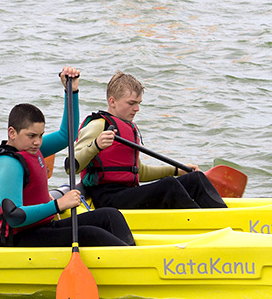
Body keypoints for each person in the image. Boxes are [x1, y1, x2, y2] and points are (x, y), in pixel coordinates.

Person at [0, 67, 134, 248]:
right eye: (31, 136)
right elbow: (14, 216)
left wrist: (72, 91)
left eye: (40, 135)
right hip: (19, 239)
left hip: (40, 228)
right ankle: (134, 263)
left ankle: (131, 255)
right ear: (12, 133)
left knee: (110, 216)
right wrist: (59, 204)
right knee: (90, 234)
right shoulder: (8, 164)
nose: (37, 142)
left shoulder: (29, 149)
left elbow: (66, 135)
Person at [72, 71, 226, 209]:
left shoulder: (127, 127)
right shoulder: (98, 126)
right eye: (131, 103)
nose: (137, 109)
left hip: (128, 192)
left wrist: (176, 171)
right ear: (112, 101)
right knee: (169, 186)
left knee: (194, 179)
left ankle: (224, 216)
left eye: (138, 103)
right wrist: (96, 146)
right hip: (107, 198)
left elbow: (140, 172)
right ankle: (205, 222)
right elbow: (71, 166)